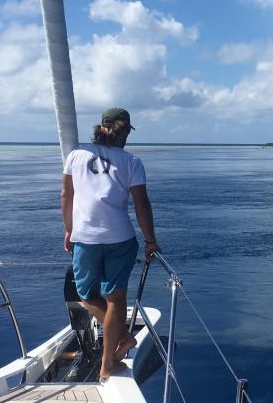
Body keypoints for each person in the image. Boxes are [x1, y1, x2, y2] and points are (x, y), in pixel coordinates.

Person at [61, 107, 160, 382]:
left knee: (85, 295)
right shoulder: (132, 162)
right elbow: (141, 204)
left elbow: (66, 195)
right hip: (121, 239)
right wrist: (150, 241)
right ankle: (111, 358)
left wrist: (69, 229)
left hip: (85, 238)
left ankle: (122, 341)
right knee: (115, 299)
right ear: (125, 130)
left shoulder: (76, 155)